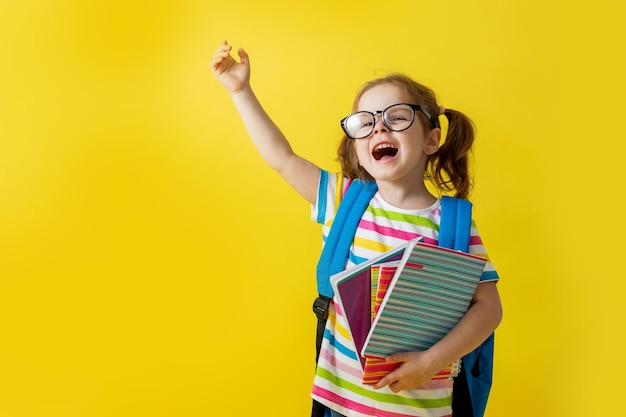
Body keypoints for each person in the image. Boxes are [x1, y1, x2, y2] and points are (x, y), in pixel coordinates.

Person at [211, 40, 503, 417]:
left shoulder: (454, 225)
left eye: (397, 117)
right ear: (357, 148)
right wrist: (240, 90)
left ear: (432, 140)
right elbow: (281, 158)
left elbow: (489, 309)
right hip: (341, 406)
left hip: (424, 409)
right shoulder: (342, 201)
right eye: (365, 122)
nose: (379, 126)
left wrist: (432, 361)